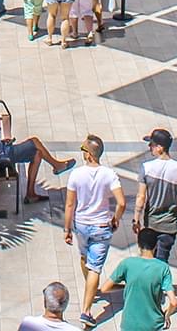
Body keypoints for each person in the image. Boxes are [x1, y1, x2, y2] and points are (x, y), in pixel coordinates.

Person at [0, 90, 75, 204]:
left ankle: (31, 193)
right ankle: (56, 165)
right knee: (34, 142)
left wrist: (1, 142)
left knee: (37, 154)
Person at [65, 134, 126, 328]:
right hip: (101, 226)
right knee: (95, 267)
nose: (82, 152)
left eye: (83, 149)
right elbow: (122, 202)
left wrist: (67, 228)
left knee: (85, 258)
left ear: (89, 154)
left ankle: (90, 289)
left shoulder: (76, 174)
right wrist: (115, 219)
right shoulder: (109, 174)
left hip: (81, 224)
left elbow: (69, 204)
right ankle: (86, 310)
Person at [100, 228, 177, 331]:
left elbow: (104, 288)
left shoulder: (127, 263)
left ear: (138, 244)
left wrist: (125, 286)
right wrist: (166, 315)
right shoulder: (162, 268)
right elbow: (174, 302)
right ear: (156, 245)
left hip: (129, 324)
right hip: (154, 325)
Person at [136, 129, 177, 264]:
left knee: (147, 258)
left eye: (152, 144)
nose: (149, 147)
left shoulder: (147, 168)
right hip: (169, 224)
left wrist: (135, 219)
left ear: (160, 148)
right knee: (162, 259)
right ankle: (161, 283)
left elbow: (141, 197)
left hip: (151, 223)